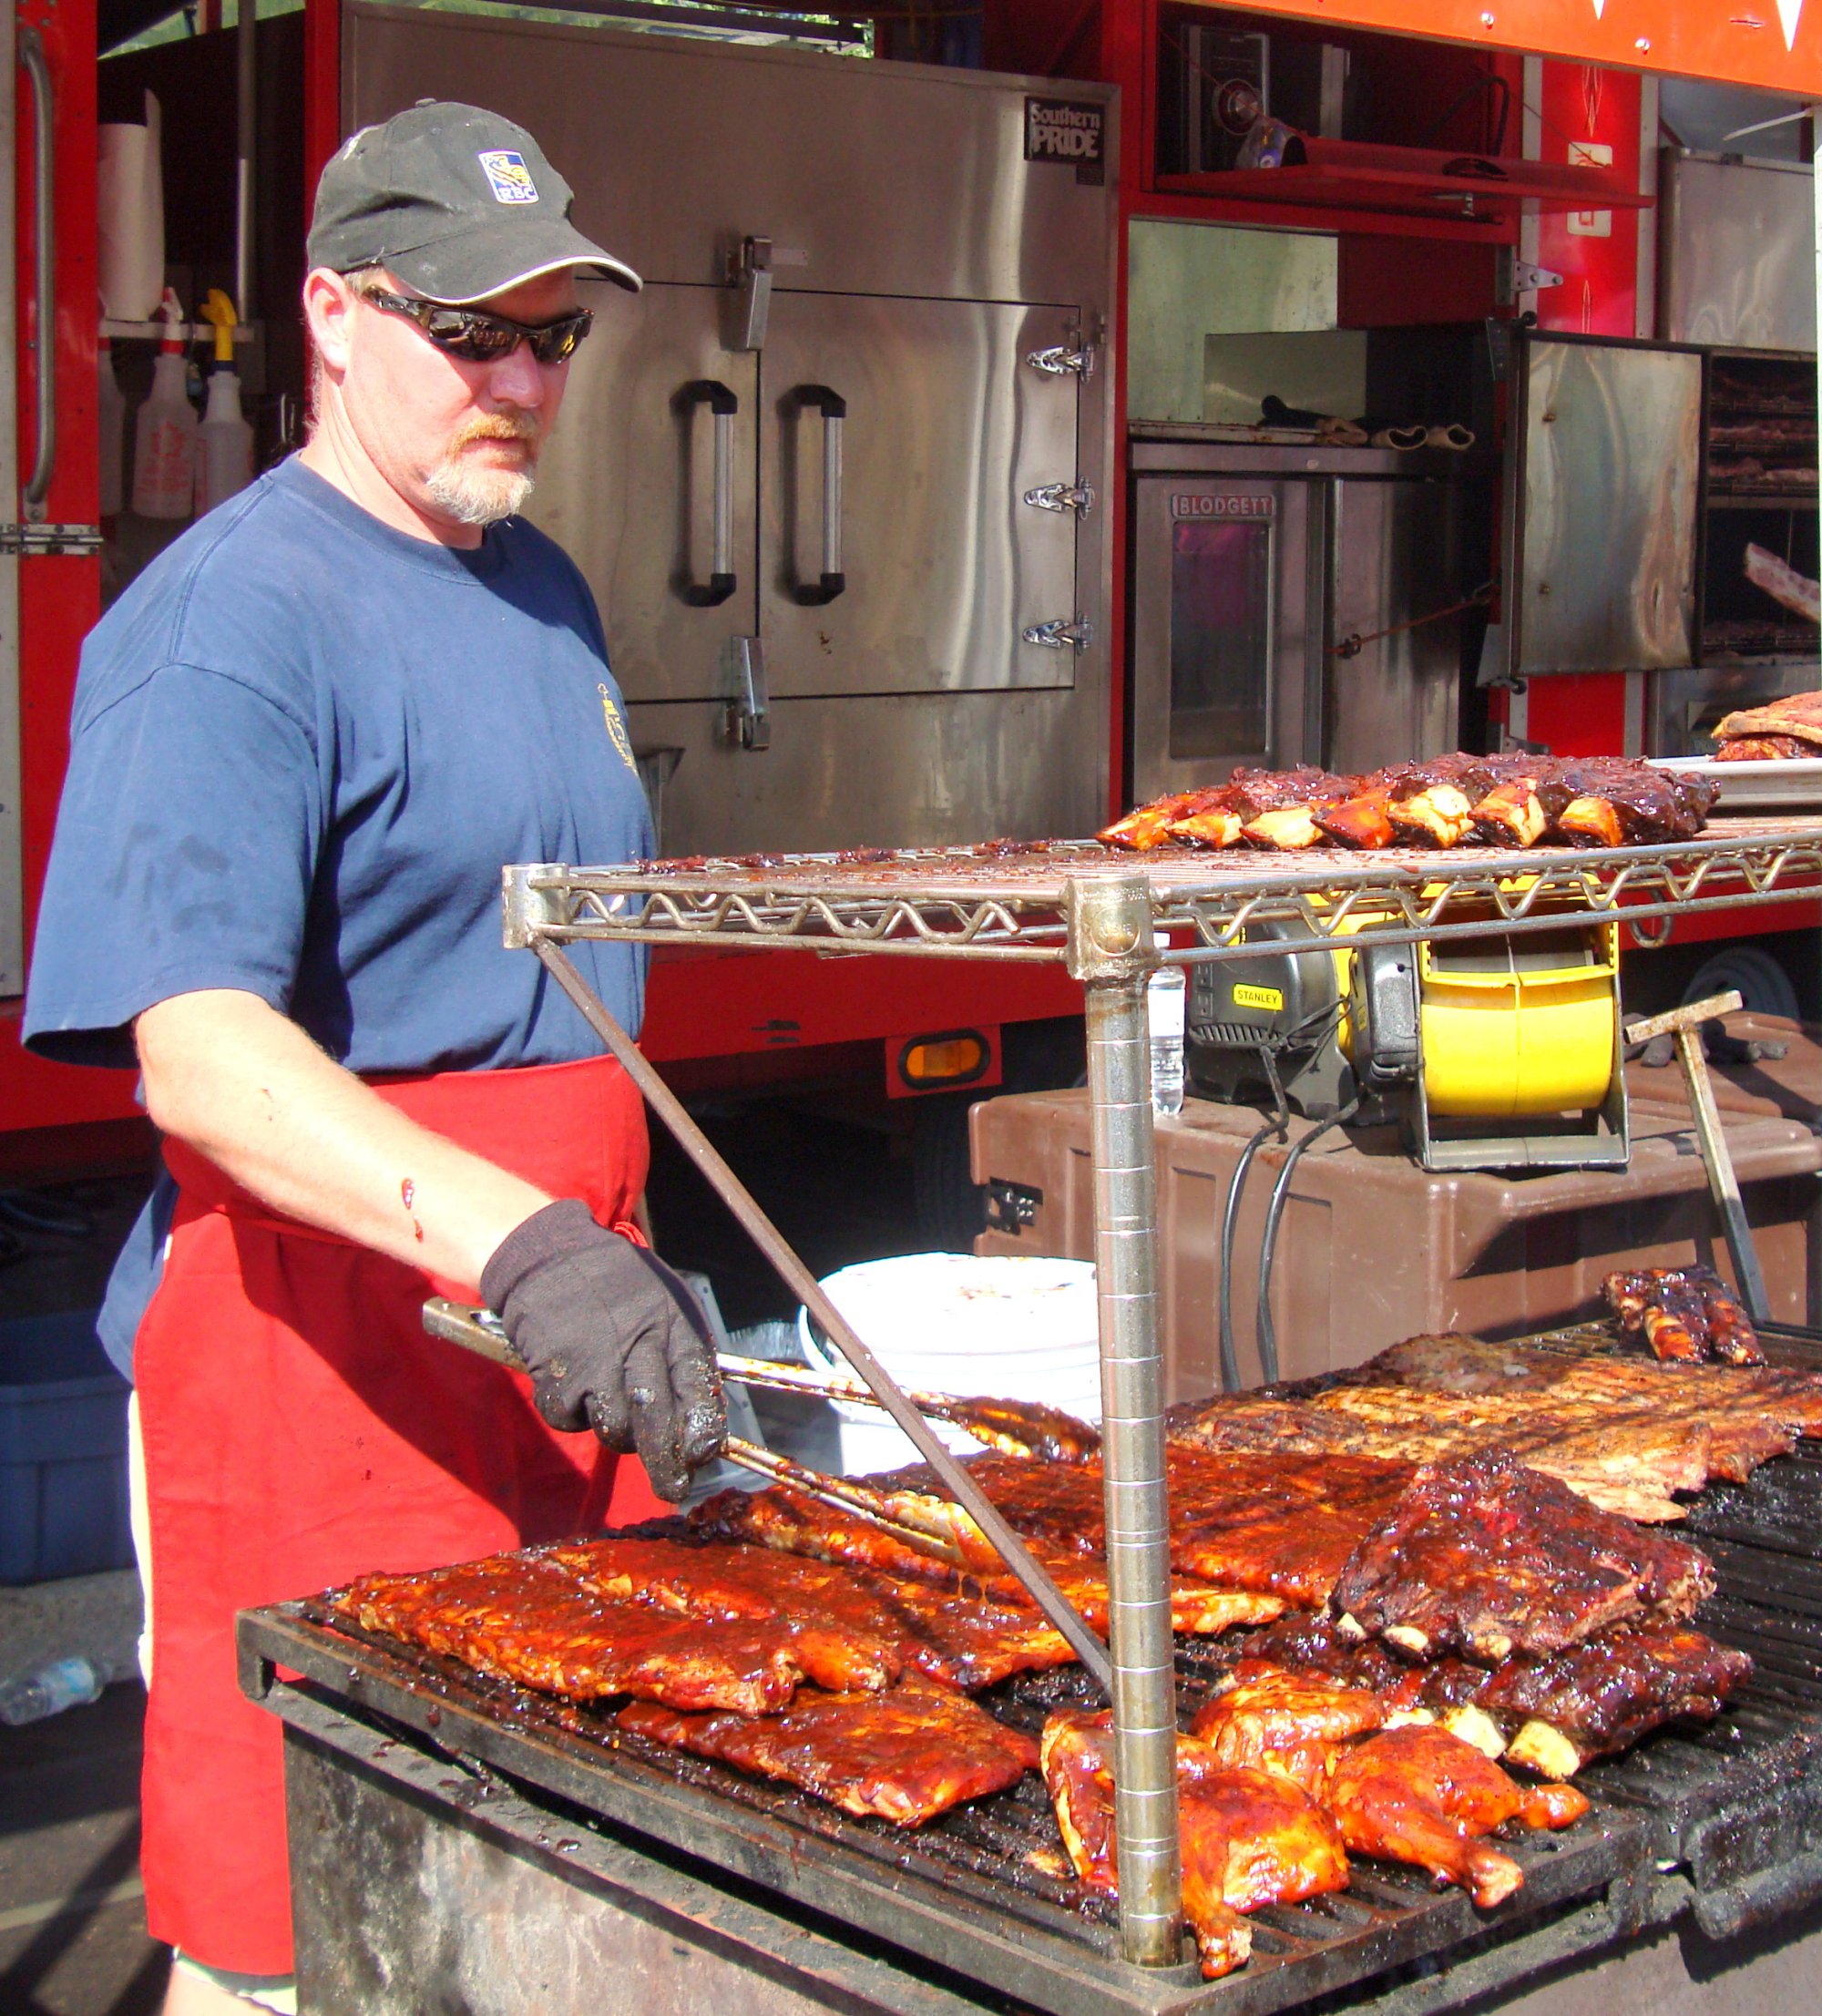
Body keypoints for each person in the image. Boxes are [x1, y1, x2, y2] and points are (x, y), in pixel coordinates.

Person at [24, 103, 726, 2014]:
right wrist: (516, 1237)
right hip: (321, 1361)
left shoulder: (540, 589)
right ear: (331, 315)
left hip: (545, 1339)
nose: (519, 379)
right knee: (313, 1946)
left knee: (560, 1890)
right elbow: (204, 1056)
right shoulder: (232, 620)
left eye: (554, 337)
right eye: (468, 330)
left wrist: (606, 1244)